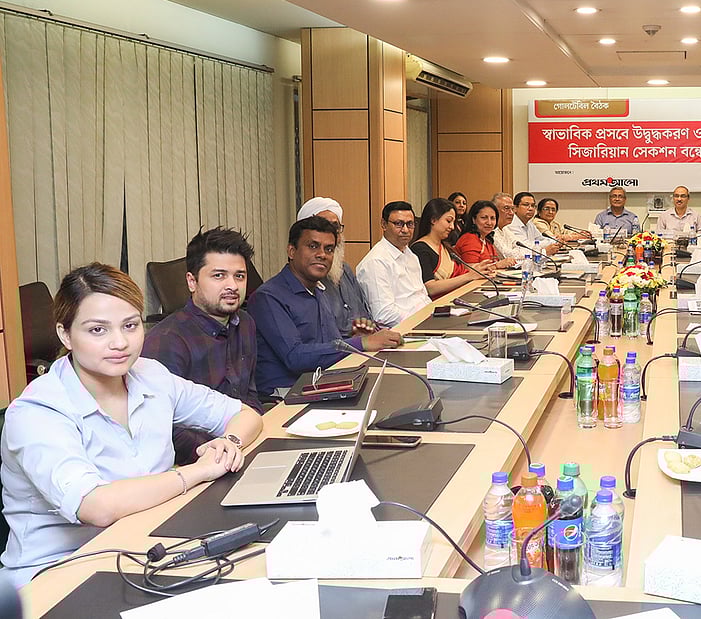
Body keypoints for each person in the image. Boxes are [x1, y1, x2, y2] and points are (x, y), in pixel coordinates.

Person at [0, 263, 264, 587]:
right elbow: (95, 505)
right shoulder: (37, 411)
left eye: (130, 325)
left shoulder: (150, 374)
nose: (120, 343)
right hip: (57, 575)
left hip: (144, 548)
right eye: (98, 330)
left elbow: (245, 415)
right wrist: (199, 470)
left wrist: (229, 443)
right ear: (65, 334)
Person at [142, 227, 262, 464]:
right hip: (201, 462)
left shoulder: (245, 323)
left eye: (239, 276)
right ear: (191, 281)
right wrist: (219, 454)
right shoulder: (167, 341)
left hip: (245, 440)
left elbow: (250, 396)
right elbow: (166, 430)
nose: (232, 286)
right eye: (219, 276)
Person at [249, 216, 403, 396]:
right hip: (286, 395)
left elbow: (330, 344)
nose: (322, 254)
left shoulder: (318, 291)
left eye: (329, 249)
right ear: (291, 251)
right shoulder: (268, 297)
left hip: (325, 383)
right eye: (313, 246)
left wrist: (355, 338)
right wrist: (360, 343)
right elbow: (295, 357)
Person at [296, 197, 375, 339]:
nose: (331, 234)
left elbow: (365, 315)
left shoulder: (345, 270)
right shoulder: (306, 283)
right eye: (323, 227)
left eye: (335, 227)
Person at [355, 201, 433, 327]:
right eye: (398, 224)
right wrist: (423, 321)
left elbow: (422, 296)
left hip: (425, 323)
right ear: (384, 225)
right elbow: (383, 314)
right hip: (403, 331)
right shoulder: (376, 262)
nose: (405, 230)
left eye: (410, 224)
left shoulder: (411, 255)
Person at [410, 198, 492, 299]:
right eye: (448, 221)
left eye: (453, 222)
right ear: (433, 220)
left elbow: (458, 272)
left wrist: (478, 269)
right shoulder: (420, 249)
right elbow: (430, 288)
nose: (452, 227)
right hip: (439, 305)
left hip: (458, 296)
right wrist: (469, 276)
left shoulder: (445, 246)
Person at [456, 200, 516, 268]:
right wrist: (497, 265)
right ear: (474, 219)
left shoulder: (487, 240)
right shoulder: (469, 239)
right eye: (484, 218)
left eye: (492, 218)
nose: (489, 223)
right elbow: (471, 269)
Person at [491, 192, 523, 264]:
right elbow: (506, 255)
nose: (511, 213)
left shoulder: (505, 229)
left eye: (512, 209)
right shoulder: (490, 231)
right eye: (506, 208)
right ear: (494, 210)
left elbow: (522, 246)